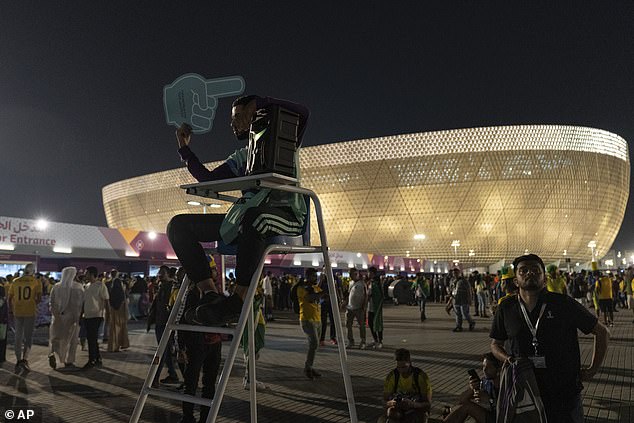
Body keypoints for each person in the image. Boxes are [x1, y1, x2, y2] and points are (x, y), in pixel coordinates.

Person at [167, 95, 309, 326]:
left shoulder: (286, 143)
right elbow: (208, 179)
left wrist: (260, 103)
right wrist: (184, 149)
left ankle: (237, 301)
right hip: (247, 216)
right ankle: (210, 293)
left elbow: (303, 112)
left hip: (285, 214)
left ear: (254, 113)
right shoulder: (242, 157)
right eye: (233, 120)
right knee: (178, 226)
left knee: (254, 218)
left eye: (239, 117)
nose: (233, 124)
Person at [490, 254, 609, 423]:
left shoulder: (563, 303)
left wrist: (593, 369)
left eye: (535, 270)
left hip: (563, 391)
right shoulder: (506, 307)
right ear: (515, 280)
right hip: (525, 390)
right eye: (523, 270)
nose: (530, 273)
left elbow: (602, 332)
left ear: (544, 278)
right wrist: (508, 359)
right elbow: (495, 344)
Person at [177, 261, 222, 423]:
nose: (215, 273)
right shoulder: (191, 295)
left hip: (214, 344)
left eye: (215, 270)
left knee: (210, 384)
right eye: (212, 270)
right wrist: (180, 347)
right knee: (190, 384)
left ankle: (207, 417)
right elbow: (181, 321)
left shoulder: (218, 293)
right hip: (196, 344)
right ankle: (187, 417)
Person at [442, 353, 501, 423]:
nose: (484, 370)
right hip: (488, 415)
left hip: (500, 418)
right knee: (463, 406)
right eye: (483, 366)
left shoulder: (506, 385)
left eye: (489, 367)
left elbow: (508, 408)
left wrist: (490, 400)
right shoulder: (486, 382)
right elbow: (462, 401)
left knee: (468, 407)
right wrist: (472, 388)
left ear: (498, 369)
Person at [148, 265, 180, 385]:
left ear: (168, 274)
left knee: (162, 351)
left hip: (166, 323)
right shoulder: (161, 286)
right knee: (164, 350)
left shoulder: (171, 287)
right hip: (160, 322)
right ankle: (172, 374)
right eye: (159, 272)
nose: (159, 274)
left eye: (162, 272)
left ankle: (155, 378)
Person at [7, 263, 42, 372]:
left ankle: (18, 360)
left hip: (17, 311)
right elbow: (39, 298)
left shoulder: (15, 281)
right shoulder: (36, 281)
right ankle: (25, 359)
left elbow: (9, 298)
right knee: (28, 336)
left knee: (18, 336)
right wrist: (33, 304)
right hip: (30, 311)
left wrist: (11, 309)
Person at [381, 348, 432, 423]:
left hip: (416, 409)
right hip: (398, 410)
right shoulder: (392, 376)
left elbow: (428, 404)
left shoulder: (421, 377)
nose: (401, 371)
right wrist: (390, 403)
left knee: (419, 417)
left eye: (404, 367)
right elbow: (384, 401)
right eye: (399, 367)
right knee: (387, 417)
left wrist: (413, 405)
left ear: (410, 363)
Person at [48, 267, 84, 369]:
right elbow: (81, 303)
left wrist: (55, 315)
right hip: (73, 319)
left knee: (56, 338)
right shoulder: (78, 287)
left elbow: (52, 302)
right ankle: (69, 360)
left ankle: (52, 353)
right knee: (72, 340)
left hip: (58, 317)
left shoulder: (56, 286)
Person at [297, 268, 323, 379]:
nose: (315, 278)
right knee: (314, 343)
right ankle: (308, 367)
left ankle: (310, 367)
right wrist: (322, 293)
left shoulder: (314, 288)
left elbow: (318, 293)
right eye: (313, 276)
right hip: (307, 320)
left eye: (316, 275)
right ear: (307, 276)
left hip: (317, 319)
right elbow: (310, 298)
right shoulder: (301, 288)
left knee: (314, 346)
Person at [82, 266, 109, 369]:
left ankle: (91, 359)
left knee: (91, 338)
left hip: (96, 315)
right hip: (87, 315)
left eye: (87, 273)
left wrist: (108, 314)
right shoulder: (87, 286)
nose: (85, 275)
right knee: (91, 338)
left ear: (92, 274)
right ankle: (97, 358)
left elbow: (106, 300)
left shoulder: (100, 285)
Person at [107, 270, 129, 352]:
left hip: (113, 308)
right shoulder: (119, 284)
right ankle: (123, 343)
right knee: (121, 327)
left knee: (114, 328)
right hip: (121, 309)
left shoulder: (109, 283)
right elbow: (123, 296)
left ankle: (114, 346)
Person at [345, 268, 367, 349]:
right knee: (348, 325)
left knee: (361, 325)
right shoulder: (350, 283)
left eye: (353, 274)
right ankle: (351, 341)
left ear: (357, 274)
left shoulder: (362, 284)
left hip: (359, 308)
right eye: (350, 274)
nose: (351, 276)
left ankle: (363, 341)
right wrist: (345, 303)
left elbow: (366, 295)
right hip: (350, 307)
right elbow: (348, 294)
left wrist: (364, 307)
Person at [450, 268, 475, 332]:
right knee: (458, 314)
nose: (455, 274)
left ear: (459, 273)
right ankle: (459, 326)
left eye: (456, 273)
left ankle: (471, 322)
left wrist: (470, 299)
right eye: (453, 273)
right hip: (456, 299)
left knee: (465, 313)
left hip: (464, 299)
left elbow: (469, 290)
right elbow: (452, 290)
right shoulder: (453, 281)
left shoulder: (464, 281)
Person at [367, 267, 384, 348]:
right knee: (370, 323)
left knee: (378, 323)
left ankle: (380, 341)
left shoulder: (377, 282)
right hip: (370, 306)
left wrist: (371, 295)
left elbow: (380, 294)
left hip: (376, 306)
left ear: (372, 273)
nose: (368, 274)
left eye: (369, 272)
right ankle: (375, 339)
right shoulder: (370, 282)